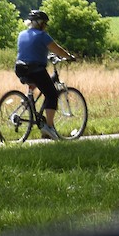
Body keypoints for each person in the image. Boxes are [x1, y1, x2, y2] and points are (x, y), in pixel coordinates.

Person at [15, 9, 76, 140]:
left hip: (20, 69)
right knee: (52, 95)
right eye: (44, 23)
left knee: (36, 82)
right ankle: (48, 127)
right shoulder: (43, 35)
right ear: (40, 23)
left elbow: (31, 50)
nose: (45, 26)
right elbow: (58, 49)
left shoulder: (21, 34)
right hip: (35, 69)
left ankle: (27, 100)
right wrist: (69, 57)